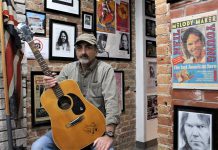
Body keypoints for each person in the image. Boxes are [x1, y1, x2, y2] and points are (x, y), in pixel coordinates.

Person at [31, 33, 120, 150]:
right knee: (38, 147)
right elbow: (53, 97)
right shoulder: (68, 69)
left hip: (94, 128)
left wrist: (109, 135)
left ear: (96, 51)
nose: (83, 51)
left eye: (88, 47)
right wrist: (49, 86)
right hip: (68, 127)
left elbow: (111, 102)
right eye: (79, 47)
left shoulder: (105, 70)